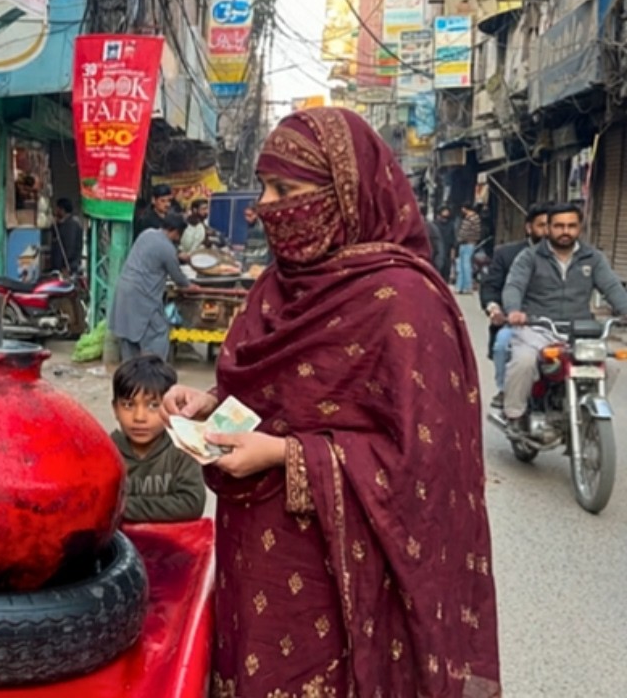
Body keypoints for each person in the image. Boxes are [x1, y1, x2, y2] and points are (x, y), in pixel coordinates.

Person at [161, 108, 500, 697]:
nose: (266, 205)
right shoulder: (275, 286)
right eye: (264, 188)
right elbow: (274, 394)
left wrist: (286, 457)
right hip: (255, 558)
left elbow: (423, 470)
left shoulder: (406, 304)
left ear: (344, 194)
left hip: (341, 577)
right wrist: (211, 403)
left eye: (286, 190)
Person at [501, 203, 627, 431]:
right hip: (537, 328)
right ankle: (514, 415)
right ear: (547, 228)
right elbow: (514, 286)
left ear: (580, 228)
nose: (565, 231)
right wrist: (514, 311)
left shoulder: (593, 258)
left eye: (571, 225)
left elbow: (612, 287)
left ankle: (585, 414)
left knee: (609, 366)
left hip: (580, 331)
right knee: (524, 362)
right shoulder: (529, 257)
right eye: (559, 226)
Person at [110, 356, 205, 523]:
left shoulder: (181, 448)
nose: (139, 417)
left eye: (153, 405)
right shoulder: (107, 451)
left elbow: (192, 504)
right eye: (128, 405)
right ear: (115, 409)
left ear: (171, 407)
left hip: (172, 544)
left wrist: (121, 507)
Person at [480, 204, 549, 408]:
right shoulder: (507, 254)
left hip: (556, 324)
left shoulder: (571, 256)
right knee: (503, 344)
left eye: (551, 226)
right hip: (517, 323)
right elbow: (491, 287)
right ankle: (505, 390)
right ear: (529, 228)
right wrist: (495, 308)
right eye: (541, 226)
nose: (547, 232)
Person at [109, 212, 201, 360]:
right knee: (158, 333)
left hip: (124, 291)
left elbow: (154, 253)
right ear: (176, 232)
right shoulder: (167, 249)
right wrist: (193, 287)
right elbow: (180, 280)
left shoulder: (147, 234)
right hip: (143, 297)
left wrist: (178, 256)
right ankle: (154, 372)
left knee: (129, 337)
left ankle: (130, 377)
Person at [49, 198, 84, 275]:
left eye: (57, 208)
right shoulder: (64, 223)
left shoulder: (71, 225)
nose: (56, 211)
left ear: (62, 209)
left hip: (68, 266)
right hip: (64, 265)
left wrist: (66, 264)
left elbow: (70, 246)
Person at [454, 204, 484, 294]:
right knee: (462, 265)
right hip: (466, 243)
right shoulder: (472, 218)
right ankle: (460, 287)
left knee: (465, 265)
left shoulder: (472, 218)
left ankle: (467, 286)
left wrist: (459, 238)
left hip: (468, 243)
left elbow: (465, 232)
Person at [432, 207, 458, 281]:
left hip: (447, 250)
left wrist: (453, 250)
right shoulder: (435, 224)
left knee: (446, 269)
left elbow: (453, 238)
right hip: (437, 250)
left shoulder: (451, 225)